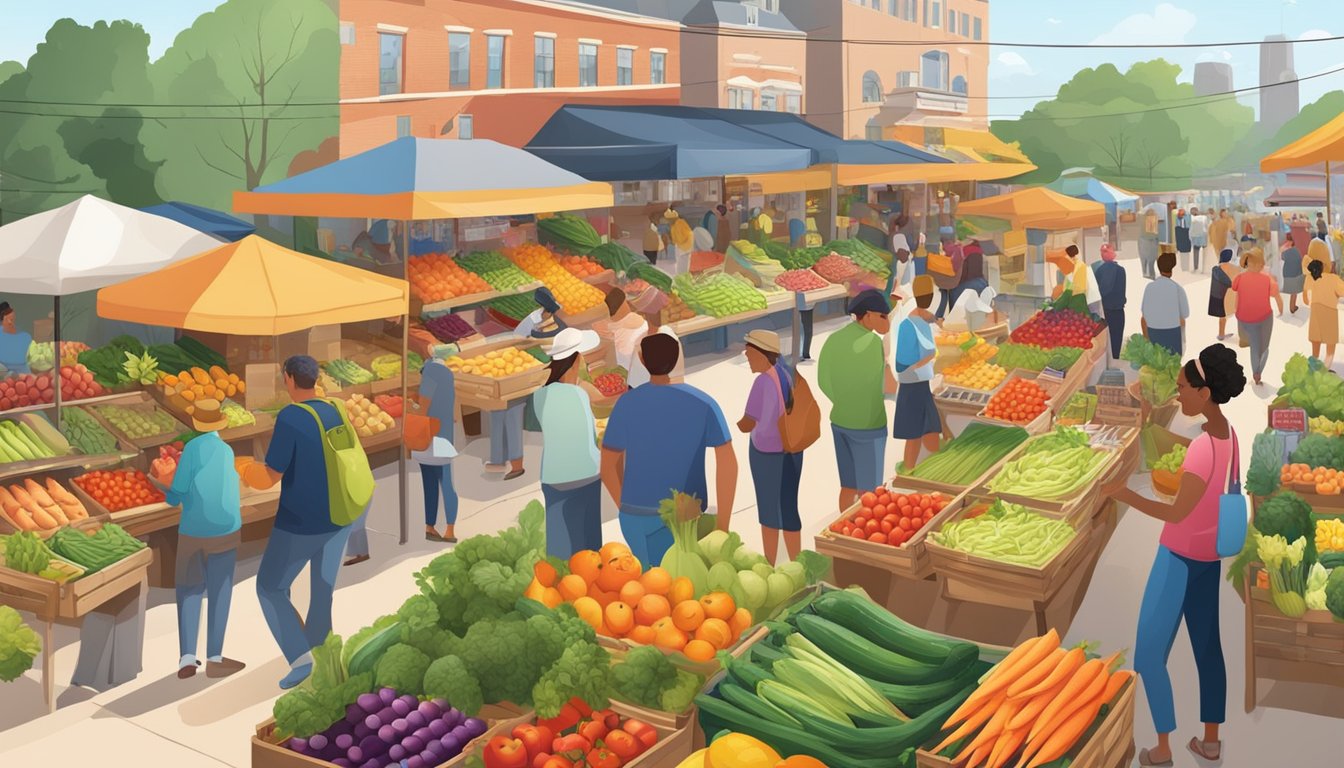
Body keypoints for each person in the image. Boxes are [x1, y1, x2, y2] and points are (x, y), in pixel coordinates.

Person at [1102, 344, 1245, 768]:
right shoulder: (1227, 434)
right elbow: (1205, 472)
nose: (1178, 395)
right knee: (1208, 649)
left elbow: (1176, 513)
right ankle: (1211, 742)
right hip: (1209, 558)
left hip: (1178, 559)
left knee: (1148, 653)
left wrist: (1123, 494)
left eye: (1183, 388)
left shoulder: (1201, 450)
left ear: (1204, 392)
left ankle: (1163, 749)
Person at [246, 356, 357, 689]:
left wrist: (242, 468)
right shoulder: (335, 408)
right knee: (322, 590)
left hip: (300, 520)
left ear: (288, 379)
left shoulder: (291, 417)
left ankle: (299, 660)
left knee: (270, 587)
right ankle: (324, 657)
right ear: (317, 378)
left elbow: (270, 475)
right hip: (340, 514)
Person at [601, 334, 736, 566]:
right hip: (684, 516)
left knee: (646, 586)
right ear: (676, 360)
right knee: (681, 589)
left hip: (635, 518)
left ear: (642, 360)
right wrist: (723, 524)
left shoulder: (626, 403)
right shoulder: (704, 403)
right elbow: (728, 464)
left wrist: (625, 506)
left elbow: (608, 465)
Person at [164, 399, 245, 680]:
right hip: (226, 529)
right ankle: (215, 657)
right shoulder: (226, 450)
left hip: (193, 531)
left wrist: (165, 489)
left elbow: (177, 492)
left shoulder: (192, 450)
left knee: (188, 589)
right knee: (220, 590)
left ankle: (187, 657)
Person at [818, 290, 897, 511]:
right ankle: (860, 539)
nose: (887, 322)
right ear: (868, 315)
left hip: (840, 421)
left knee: (848, 486)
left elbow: (823, 380)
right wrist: (888, 363)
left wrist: (843, 401)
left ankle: (843, 527)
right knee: (870, 492)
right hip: (869, 424)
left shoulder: (834, 339)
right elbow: (888, 387)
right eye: (883, 316)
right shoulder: (873, 343)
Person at [535, 328, 604, 560]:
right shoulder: (580, 394)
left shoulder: (539, 396)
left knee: (560, 546)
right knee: (589, 547)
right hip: (587, 475)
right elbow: (587, 440)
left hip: (553, 477)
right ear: (576, 360)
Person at [737, 330, 803, 565]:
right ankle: (797, 563)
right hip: (792, 450)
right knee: (788, 506)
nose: (746, 354)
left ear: (764, 354)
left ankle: (770, 564)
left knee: (768, 511)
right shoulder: (785, 374)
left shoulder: (762, 382)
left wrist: (738, 426)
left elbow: (748, 422)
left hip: (766, 453)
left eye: (750, 350)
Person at [894, 276, 942, 471]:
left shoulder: (920, 317)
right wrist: (928, 357)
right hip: (912, 386)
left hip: (921, 385)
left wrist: (936, 319)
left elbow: (926, 316)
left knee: (930, 428)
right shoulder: (908, 326)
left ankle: (923, 467)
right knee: (914, 432)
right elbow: (902, 363)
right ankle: (909, 470)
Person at [416, 355, 460, 544]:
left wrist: (413, 408)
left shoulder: (431, 373)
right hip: (445, 436)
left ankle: (430, 526)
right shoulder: (449, 375)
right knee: (446, 482)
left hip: (429, 437)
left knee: (430, 483)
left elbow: (423, 407)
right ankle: (449, 529)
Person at [1227, 248, 1282, 386]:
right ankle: (1258, 373)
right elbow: (1276, 296)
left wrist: (1236, 310)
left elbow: (1236, 292)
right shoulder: (1266, 279)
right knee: (1264, 348)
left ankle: (1256, 373)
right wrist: (1281, 310)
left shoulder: (1239, 278)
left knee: (1255, 347)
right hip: (1264, 318)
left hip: (1245, 319)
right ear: (1260, 264)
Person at [627, 286, 686, 387]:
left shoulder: (640, 342)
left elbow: (634, 382)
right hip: (672, 390)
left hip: (648, 392)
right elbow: (678, 377)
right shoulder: (671, 336)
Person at [1141, 251, 1189, 357]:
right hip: (1172, 334)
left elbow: (1144, 312)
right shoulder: (1177, 288)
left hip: (1153, 333)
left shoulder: (1149, 287)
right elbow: (1185, 314)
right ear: (1172, 270)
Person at [1304, 258, 1344, 368]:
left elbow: (1306, 299)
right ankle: (1326, 369)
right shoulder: (1333, 279)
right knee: (1330, 345)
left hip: (1316, 312)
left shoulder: (1310, 278)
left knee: (1316, 342)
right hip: (1329, 312)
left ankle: (1313, 368)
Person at [1092, 243, 1127, 359]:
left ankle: (1106, 358)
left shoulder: (1099, 271)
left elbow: (1098, 291)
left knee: (1106, 338)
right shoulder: (1121, 270)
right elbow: (1122, 291)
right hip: (1118, 309)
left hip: (1105, 310)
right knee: (1116, 337)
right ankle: (1115, 357)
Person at [1207, 249, 1239, 342]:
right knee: (1238, 314)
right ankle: (1243, 335)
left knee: (1222, 316)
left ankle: (1221, 334)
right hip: (1231, 295)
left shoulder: (1215, 269)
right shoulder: (1235, 268)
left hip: (1219, 295)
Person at [931, 236, 964, 318]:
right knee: (948, 299)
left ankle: (940, 317)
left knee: (944, 297)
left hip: (946, 277)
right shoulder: (958, 249)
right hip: (953, 279)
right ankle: (946, 317)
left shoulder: (951, 249)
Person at [0, 302, 33, 376]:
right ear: (2, 321)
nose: (9, 322)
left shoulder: (25, 337)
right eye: (6, 319)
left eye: (11, 319)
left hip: (24, 375)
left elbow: (27, 360)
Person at [885, 215, 913, 297]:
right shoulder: (900, 236)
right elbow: (903, 257)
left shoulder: (893, 235)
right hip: (899, 269)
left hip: (893, 268)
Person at [1281, 238, 1305, 314]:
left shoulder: (1286, 252)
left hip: (1287, 274)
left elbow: (1282, 257)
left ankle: (1291, 307)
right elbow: (1299, 260)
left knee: (1292, 292)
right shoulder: (1296, 251)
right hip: (1295, 274)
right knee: (1294, 293)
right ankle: (1292, 307)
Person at [1140, 209, 1161, 280]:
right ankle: (1151, 274)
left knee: (1145, 259)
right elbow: (1156, 234)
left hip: (1144, 242)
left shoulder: (1143, 221)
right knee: (1151, 260)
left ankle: (1146, 273)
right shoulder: (1153, 221)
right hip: (1151, 242)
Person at [1189, 207, 1209, 273]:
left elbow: (1191, 229)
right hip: (1203, 236)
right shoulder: (1204, 217)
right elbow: (1206, 227)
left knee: (1196, 253)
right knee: (1204, 254)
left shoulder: (1192, 219)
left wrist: (1190, 237)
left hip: (1195, 237)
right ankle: (1204, 268)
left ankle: (1196, 268)